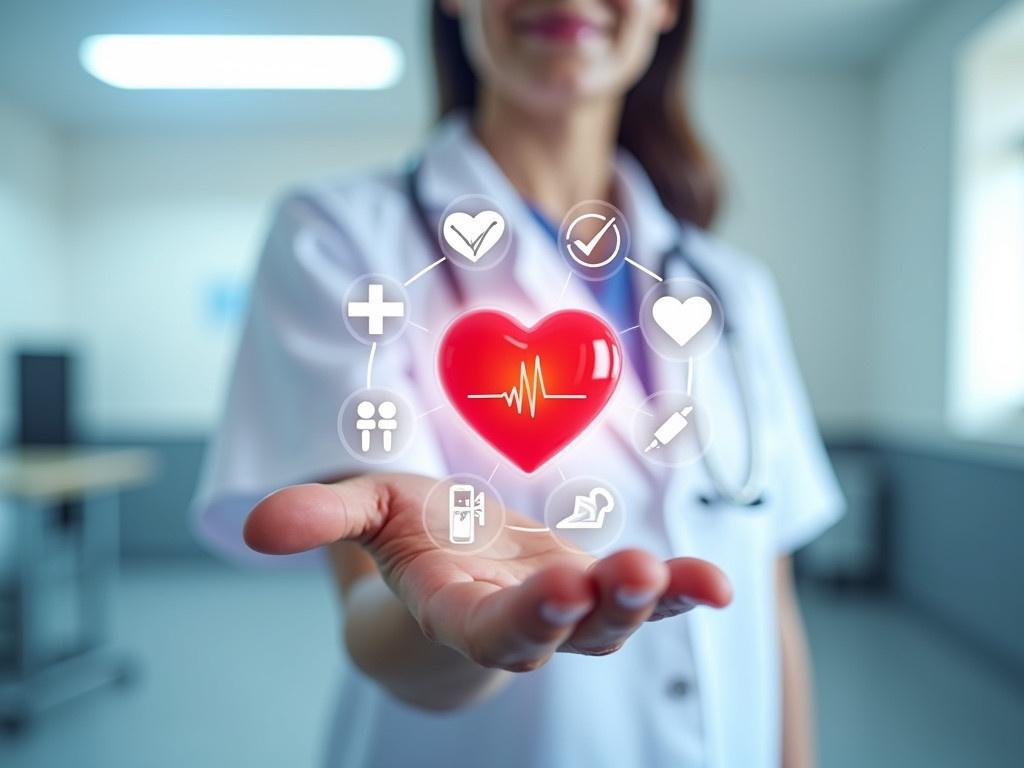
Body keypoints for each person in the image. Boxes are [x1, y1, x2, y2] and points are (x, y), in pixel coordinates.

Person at [193, 1, 843, 766]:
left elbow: (769, 600)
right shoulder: (342, 237)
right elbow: (377, 606)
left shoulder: (731, 289)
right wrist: (461, 625)